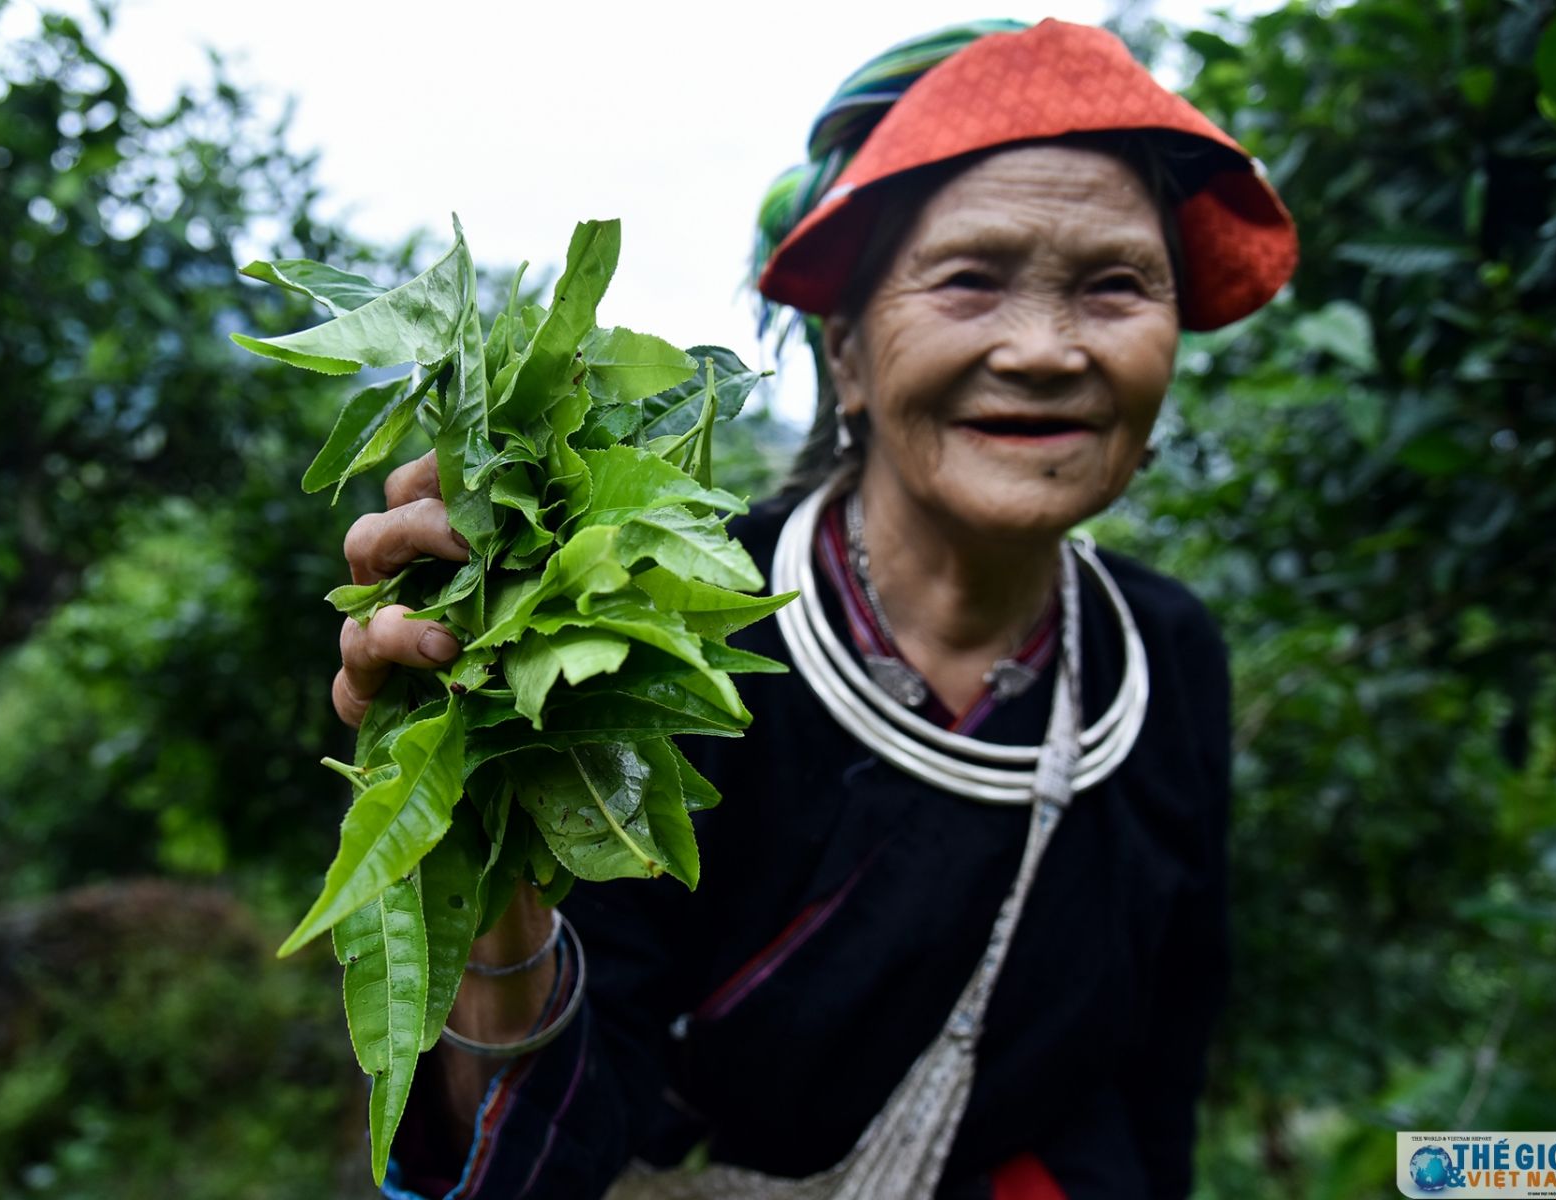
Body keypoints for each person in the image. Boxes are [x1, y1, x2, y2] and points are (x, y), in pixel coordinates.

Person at [331, 17, 1296, 1200]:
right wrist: (481, 828)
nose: (1046, 351)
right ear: (846, 353)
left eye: (1115, 287)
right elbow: (554, 1133)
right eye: (970, 280)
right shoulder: (664, 629)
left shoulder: (1167, 655)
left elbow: (1155, 1073)